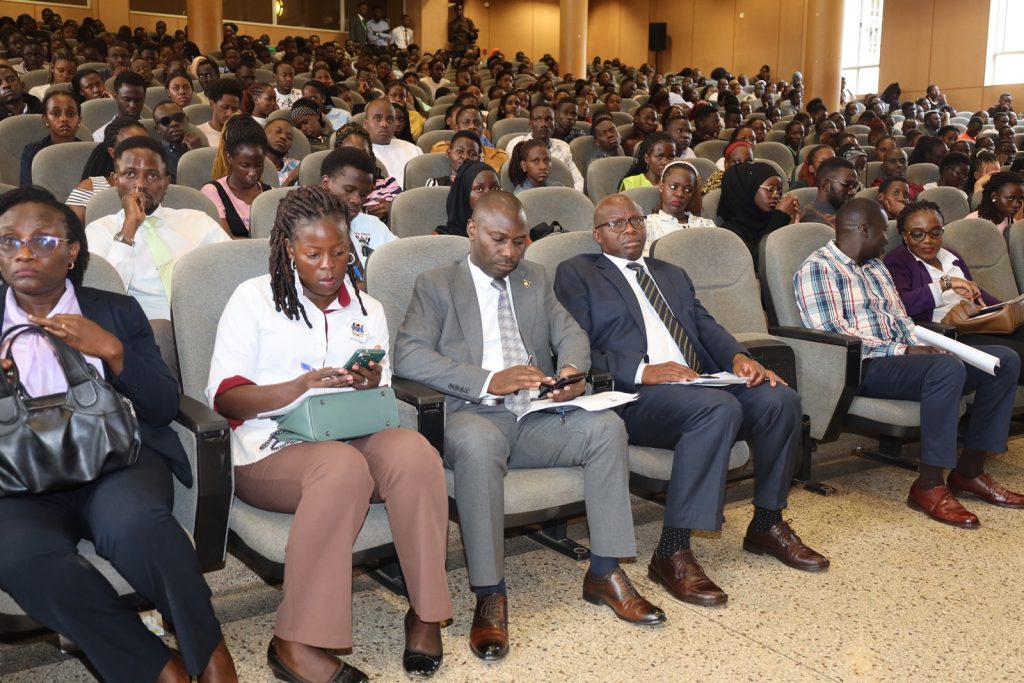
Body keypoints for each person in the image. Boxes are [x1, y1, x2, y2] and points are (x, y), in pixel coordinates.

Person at [396, 190, 665, 662]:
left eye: (520, 242)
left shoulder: (533, 278)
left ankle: (604, 572)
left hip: (536, 415)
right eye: (500, 240)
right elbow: (410, 355)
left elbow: (571, 334)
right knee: (479, 448)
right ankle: (490, 593)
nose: (510, 253)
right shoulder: (436, 284)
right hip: (473, 415)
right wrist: (487, 381)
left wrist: (572, 374)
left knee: (606, 429)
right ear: (473, 232)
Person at [208, 185, 451, 682]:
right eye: (313, 253)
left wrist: (366, 380)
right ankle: (295, 640)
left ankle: (426, 612)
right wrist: (297, 387)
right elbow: (226, 397)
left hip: (348, 433)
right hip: (269, 446)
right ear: (287, 249)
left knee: (415, 453)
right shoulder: (253, 299)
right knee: (341, 469)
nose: (328, 265)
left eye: (339, 252)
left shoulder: (368, 310)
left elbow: (378, 392)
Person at [0, 186, 239, 683]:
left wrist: (112, 350)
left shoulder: (114, 310)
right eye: (8, 241)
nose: (23, 252)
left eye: (42, 241)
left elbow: (161, 405)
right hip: (17, 477)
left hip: (118, 461)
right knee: (21, 556)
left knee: (139, 527)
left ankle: (210, 652)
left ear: (72, 251)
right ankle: (154, 668)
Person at [555, 193, 827, 607]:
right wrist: (645, 370)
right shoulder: (578, 273)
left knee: (780, 398)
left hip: (696, 383)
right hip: (633, 393)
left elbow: (705, 326)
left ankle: (768, 523)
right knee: (718, 409)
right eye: (616, 224)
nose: (629, 229)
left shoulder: (671, 273)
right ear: (597, 235)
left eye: (635, 220)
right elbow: (575, 346)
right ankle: (672, 552)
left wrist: (739, 358)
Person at [795, 198, 1023, 527]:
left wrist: (927, 344)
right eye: (882, 231)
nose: (888, 239)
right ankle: (928, 485)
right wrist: (904, 351)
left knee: (1002, 360)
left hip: (901, 355)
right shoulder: (818, 268)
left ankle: (970, 472)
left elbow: (901, 321)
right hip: (862, 365)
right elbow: (834, 333)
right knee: (945, 369)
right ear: (863, 229)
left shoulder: (875, 267)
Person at [84, 136, 229, 376]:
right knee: (161, 330)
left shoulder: (198, 222)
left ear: (166, 183)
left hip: (205, 325)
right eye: (129, 174)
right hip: (144, 334)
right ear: (115, 180)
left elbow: (232, 276)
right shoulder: (99, 231)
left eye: (152, 176)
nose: (140, 184)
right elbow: (108, 295)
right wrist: (129, 227)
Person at [883, 200, 1024, 382]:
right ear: (904, 235)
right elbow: (903, 306)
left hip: (977, 322)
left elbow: (975, 292)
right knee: (1019, 355)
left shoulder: (951, 255)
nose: (928, 240)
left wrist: (1008, 308)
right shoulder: (898, 261)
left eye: (935, 232)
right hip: (948, 334)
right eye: (918, 234)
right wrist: (945, 283)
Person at [319, 146, 399, 260]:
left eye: (363, 195)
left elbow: (402, 262)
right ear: (326, 183)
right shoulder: (303, 228)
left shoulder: (374, 226)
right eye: (349, 190)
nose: (357, 201)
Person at [66, 116, 149, 224]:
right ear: (113, 153)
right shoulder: (90, 188)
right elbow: (68, 232)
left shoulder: (157, 185)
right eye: (132, 147)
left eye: (146, 145)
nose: (142, 153)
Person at [201, 114, 269, 239]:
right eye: (245, 165)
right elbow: (226, 239)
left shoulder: (270, 194)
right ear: (229, 158)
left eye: (258, 165)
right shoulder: (213, 192)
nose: (253, 173)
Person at [719, 160, 799, 261]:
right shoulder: (729, 233)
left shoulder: (772, 218)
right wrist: (779, 218)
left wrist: (793, 226)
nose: (776, 196)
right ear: (749, 188)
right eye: (770, 189)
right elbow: (757, 264)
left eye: (779, 191)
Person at [504, 103, 585, 192]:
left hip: (560, 194)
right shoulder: (516, 144)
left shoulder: (562, 146)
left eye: (549, 119)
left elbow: (578, 179)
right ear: (530, 124)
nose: (544, 124)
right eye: (538, 119)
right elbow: (511, 178)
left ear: (555, 123)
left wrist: (568, 197)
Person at [642, 161, 715, 255]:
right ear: (661, 186)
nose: (680, 194)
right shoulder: (647, 225)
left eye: (688, 190)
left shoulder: (706, 225)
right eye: (673, 187)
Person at [20, 91, 82, 186]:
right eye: (56, 114)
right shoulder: (32, 151)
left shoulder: (91, 152)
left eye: (71, 114)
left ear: (79, 120)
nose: (64, 119)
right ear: (45, 120)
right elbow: (27, 192)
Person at [430, 104, 508, 172]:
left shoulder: (500, 157)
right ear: (457, 128)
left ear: (483, 129)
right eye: (466, 123)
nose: (472, 126)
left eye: (477, 123)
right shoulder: (440, 149)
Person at [363, 98, 422, 189]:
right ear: (365, 124)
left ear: (395, 125)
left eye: (390, 120)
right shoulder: (360, 153)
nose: (384, 124)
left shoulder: (413, 149)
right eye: (378, 118)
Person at [435, 160, 500, 236]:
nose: (489, 196)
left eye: (495, 189)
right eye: (479, 189)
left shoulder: (510, 230)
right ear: (464, 194)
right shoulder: (441, 239)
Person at [152, 100, 207, 183]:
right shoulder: (154, 155)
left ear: (187, 120)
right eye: (165, 121)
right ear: (157, 129)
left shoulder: (204, 150)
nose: (174, 123)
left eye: (178, 118)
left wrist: (198, 153)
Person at [800, 157, 861, 228]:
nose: (852, 192)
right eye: (846, 185)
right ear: (826, 186)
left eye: (854, 186)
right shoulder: (810, 219)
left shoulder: (853, 214)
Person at [91, 70, 146, 142]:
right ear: (115, 97)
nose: (132, 105)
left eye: (138, 100)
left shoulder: (154, 129)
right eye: (127, 99)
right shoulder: (100, 136)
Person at [197, 77, 242, 148]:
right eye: (225, 107)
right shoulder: (199, 134)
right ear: (212, 104)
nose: (229, 113)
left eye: (234, 109)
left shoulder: (242, 135)